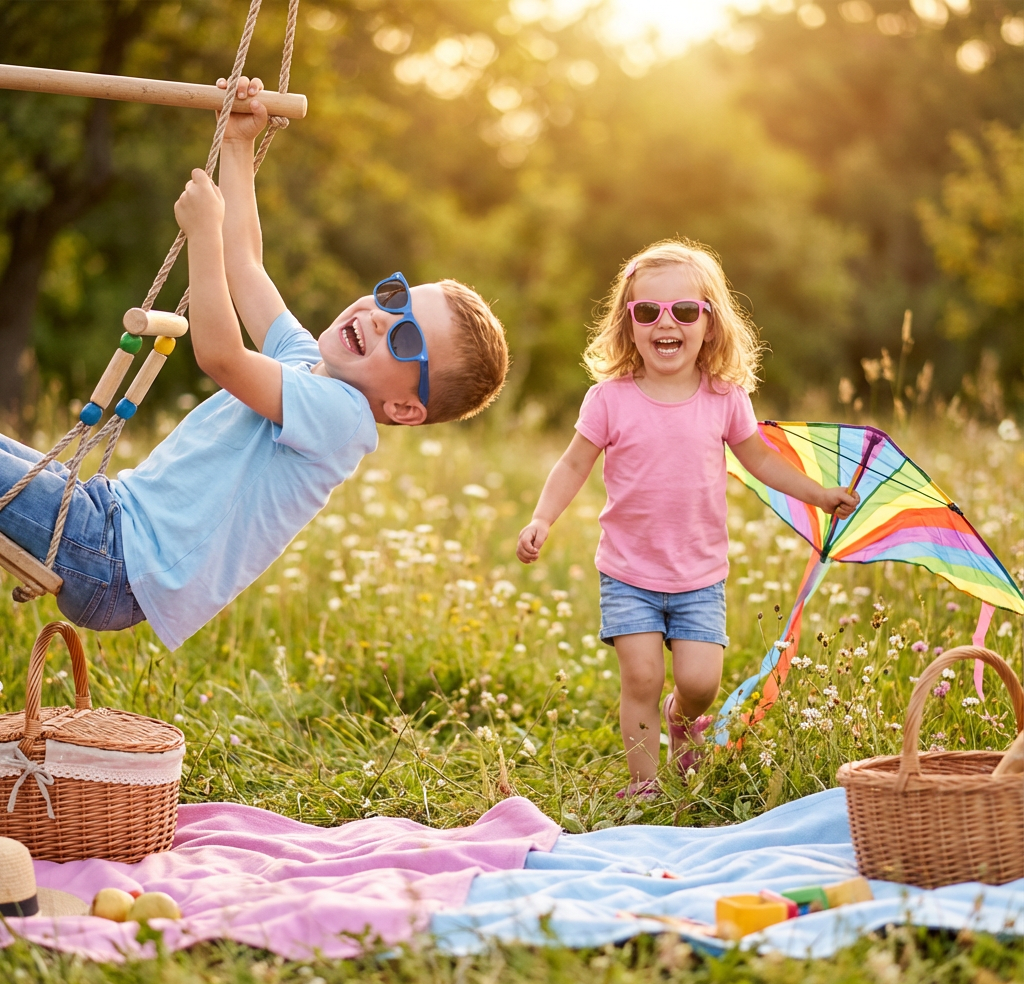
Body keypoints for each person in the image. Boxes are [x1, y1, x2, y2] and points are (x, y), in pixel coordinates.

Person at [0, 77, 508, 650]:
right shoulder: (308, 363)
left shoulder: (342, 418)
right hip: (107, 514)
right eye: (395, 298)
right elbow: (246, 265)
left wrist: (202, 235)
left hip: (117, 561)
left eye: (407, 337)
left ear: (403, 408)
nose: (381, 317)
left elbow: (221, 356)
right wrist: (239, 149)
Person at [516, 240, 857, 798]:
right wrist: (542, 519)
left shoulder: (724, 397)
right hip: (629, 572)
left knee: (699, 684)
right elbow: (573, 463)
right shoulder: (609, 400)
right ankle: (645, 785)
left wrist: (817, 494)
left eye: (684, 310)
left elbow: (761, 460)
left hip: (699, 575)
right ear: (629, 325)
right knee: (642, 677)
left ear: (710, 321)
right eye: (647, 312)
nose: (665, 323)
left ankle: (682, 719)